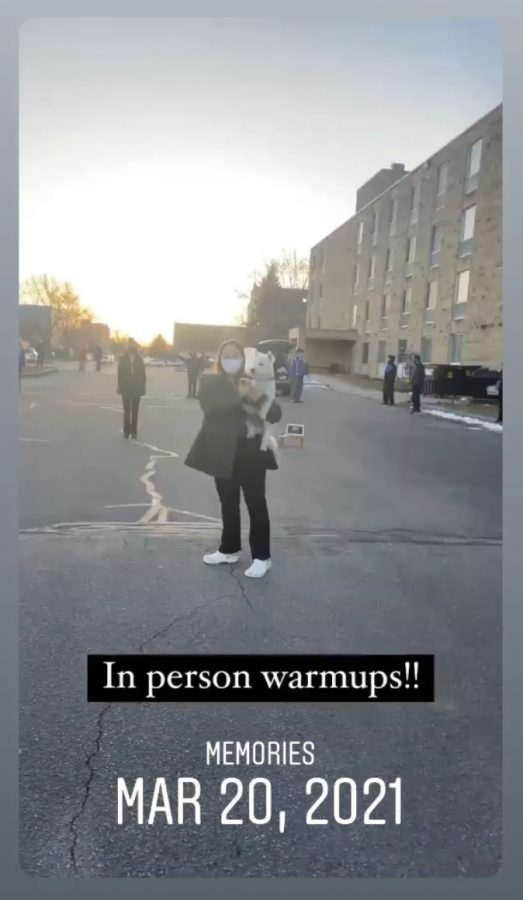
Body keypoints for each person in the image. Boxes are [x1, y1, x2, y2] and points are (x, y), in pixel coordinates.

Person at [185, 340, 282, 579]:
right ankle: (229, 549)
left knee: (256, 504)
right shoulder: (209, 382)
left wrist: (256, 393)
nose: (231, 360)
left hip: (251, 453)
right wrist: (242, 395)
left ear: (243, 359)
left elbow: (275, 413)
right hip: (222, 452)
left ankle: (262, 557)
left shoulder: (254, 382)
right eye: (226, 355)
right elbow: (211, 406)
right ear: (219, 359)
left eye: (235, 355)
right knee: (228, 504)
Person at [117, 339, 146, 439]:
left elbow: (143, 375)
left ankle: (134, 432)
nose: (131, 347)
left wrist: (142, 387)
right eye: (129, 345)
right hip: (126, 388)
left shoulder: (139, 359)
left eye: (133, 344)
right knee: (126, 411)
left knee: (135, 411)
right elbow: (119, 373)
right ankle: (126, 431)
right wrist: (120, 385)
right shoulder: (123, 359)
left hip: (136, 388)